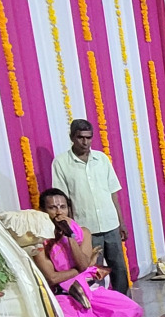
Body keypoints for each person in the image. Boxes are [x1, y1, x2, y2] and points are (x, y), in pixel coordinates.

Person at [32, 188, 144, 317]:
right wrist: (79, 270)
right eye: (52, 207)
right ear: (43, 211)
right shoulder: (39, 241)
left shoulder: (82, 232)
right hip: (63, 294)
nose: (58, 212)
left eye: (62, 207)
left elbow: (83, 264)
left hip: (87, 290)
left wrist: (70, 238)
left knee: (132, 309)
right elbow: (53, 278)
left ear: (69, 209)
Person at [51, 118, 131, 294]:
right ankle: (99, 305)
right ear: (72, 137)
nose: (85, 142)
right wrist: (71, 231)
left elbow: (113, 193)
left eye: (88, 137)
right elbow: (63, 201)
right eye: (80, 137)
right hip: (87, 229)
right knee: (93, 272)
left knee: (119, 269)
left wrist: (121, 223)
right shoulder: (61, 163)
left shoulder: (101, 159)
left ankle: (126, 303)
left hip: (110, 224)